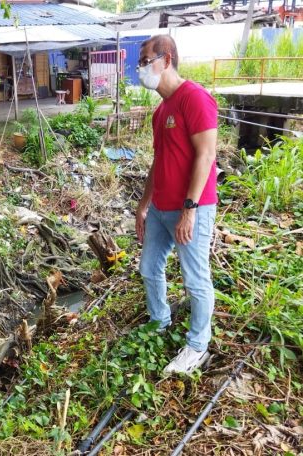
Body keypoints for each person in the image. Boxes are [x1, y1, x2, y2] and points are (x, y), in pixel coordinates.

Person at [135, 35, 218, 375]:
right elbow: (158, 160)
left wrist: (190, 208)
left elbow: (207, 155)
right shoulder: (161, 110)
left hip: (189, 208)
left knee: (195, 279)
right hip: (159, 209)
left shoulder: (194, 98)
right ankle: (160, 321)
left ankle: (198, 345)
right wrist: (143, 205)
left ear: (165, 60)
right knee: (149, 267)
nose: (140, 68)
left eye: (145, 60)